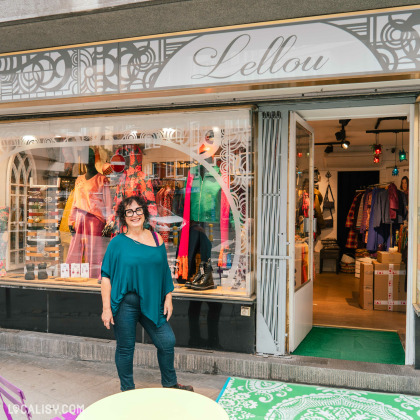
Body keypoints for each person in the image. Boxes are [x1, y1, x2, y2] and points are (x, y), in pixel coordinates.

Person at [100, 195, 193, 392]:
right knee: (126, 348)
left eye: (138, 210)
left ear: (144, 212)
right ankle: (127, 390)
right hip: (125, 303)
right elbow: (106, 276)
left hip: (152, 301)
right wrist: (106, 308)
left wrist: (168, 297)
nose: (135, 215)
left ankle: (170, 384)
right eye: (129, 212)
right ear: (123, 217)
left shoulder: (156, 237)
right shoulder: (117, 243)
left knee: (167, 341)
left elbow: (163, 271)